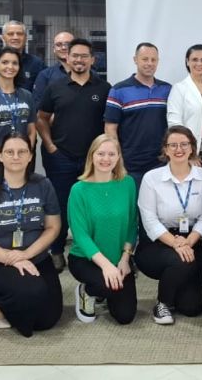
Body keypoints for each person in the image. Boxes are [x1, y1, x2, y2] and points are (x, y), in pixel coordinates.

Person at [0, 134, 62, 337]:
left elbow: (53, 227)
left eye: (22, 152)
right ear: (0, 156)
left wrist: (27, 254)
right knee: (32, 293)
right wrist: (12, 258)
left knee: (48, 319)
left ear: (30, 156)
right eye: (10, 152)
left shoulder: (43, 185)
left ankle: (16, 299)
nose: (16, 156)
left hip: (35, 257)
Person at [37, 38, 110, 271]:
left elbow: (110, 123)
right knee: (59, 206)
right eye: (75, 55)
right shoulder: (55, 87)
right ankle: (57, 251)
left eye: (84, 56)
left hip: (94, 161)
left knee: (95, 208)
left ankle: (96, 252)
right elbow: (41, 118)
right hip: (62, 159)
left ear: (92, 60)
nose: (79, 60)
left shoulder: (104, 88)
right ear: (67, 58)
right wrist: (50, 146)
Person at [136, 126, 202, 324]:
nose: (178, 149)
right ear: (165, 149)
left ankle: (175, 288)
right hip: (158, 243)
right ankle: (162, 303)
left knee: (192, 308)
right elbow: (149, 219)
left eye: (184, 144)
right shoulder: (151, 178)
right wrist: (176, 243)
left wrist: (189, 241)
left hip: (192, 239)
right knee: (182, 261)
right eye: (173, 145)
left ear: (192, 148)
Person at [67, 134, 139, 325]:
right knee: (103, 285)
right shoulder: (79, 190)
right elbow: (80, 236)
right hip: (87, 259)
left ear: (118, 157)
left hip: (118, 259)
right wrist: (106, 266)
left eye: (111, 154)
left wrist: (125, 259)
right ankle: (87, 291)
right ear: (92, 156)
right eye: (100, 154)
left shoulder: (128, 184)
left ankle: (105, 289)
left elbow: (132, 223)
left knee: (125, 316)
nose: (106, 159)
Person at [105, 42, 171, 187]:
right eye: (145, 59)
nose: (149, 63)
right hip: (131, 164)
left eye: (153, 60)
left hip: (162, 162)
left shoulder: (167, 89)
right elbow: (110, 128)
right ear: (135, 60)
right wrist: (117, 158)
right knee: (133, 201)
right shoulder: (118, 90)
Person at [0, 47, 38, 176]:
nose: (10, 67)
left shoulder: (27, 95)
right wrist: (3, 159)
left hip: (22, 163)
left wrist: (26, 154)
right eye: (5, 62)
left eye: (15, 63)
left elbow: (32, 131)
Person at [167, 44, 202, 173]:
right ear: (187, 62)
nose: (199, 63)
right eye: (194, 59)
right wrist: (188, 153)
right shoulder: (179, 89)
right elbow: (174, 124)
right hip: (195, 154)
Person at [0, 20, 45, 91]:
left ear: (25, 38)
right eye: (10, 34)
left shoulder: (36, 64)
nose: (15, 37)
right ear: (3, 38)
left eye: (19, 34)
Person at [32, 30, 73, 109]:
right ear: (54, 49)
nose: (64, 47)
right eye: (59, 45)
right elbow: (38, 105)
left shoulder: (88, 73)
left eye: (68, 44)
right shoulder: (45, 76)